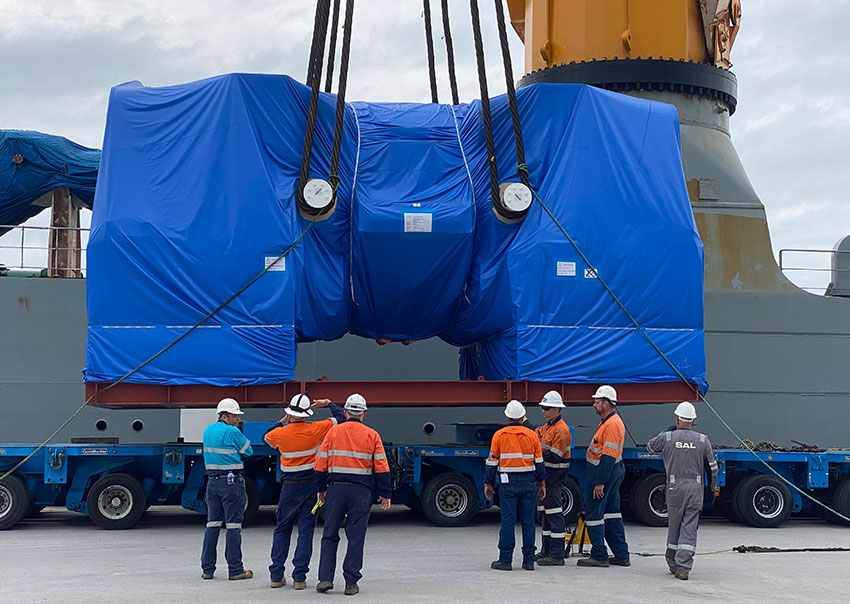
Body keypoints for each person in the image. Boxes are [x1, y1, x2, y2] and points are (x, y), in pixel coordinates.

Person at [263, 394, 345, 590]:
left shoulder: (280, 434)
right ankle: (299, 578)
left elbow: (266, 436)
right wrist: (329, 404)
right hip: (313, 490)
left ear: (289, 413)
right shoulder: (316, 428)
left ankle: (276, 576)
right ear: (307, 414)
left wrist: (281, 421)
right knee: (306, 531)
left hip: (289, 489)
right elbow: (342, 419)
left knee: (282, 528)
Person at [314, 393, 391, 596]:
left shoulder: (332, 433)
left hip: (335, 490)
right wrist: (385, 493)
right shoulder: (372, 435)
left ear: (346, 412)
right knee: (356, 537)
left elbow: (320, 463)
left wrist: (321, 489)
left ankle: (325, 579)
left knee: (329, 534)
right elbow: (382, 467)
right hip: (360, 492)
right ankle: (351, 583)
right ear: (364, 414)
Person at [646, 401, 718, 581]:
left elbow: (650, 446)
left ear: (677, 418)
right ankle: (684, 568)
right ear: (693, 421)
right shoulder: (703, 440)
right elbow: (713, 468)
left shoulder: (668, 437)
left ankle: (672, 562)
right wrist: (711, 488)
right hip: (695, 489)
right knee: (689, 528)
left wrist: (668, 431)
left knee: (675, 526)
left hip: (674, 488)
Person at [484, 400, 546, 572]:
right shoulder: (532, 435)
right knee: (528, 522)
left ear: (507, 416)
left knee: (508, 521)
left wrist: (488, 482)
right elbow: (539, 463)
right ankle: (528, 561)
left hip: (507, 484)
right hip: (528, 483)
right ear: (522, 416)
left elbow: (492, 462)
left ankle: (505, 560)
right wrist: (541, 483)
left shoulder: (499, 435)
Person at [200, 398, 254, 581]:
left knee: (212, 524)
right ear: (226, 415)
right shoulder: (232, 431)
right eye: (236, 415)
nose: (238, 419)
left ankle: (207, 569)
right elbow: (248, 451)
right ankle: (235, 569)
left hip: (212, 483)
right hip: (232, 483)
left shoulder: (208, 430)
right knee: (233, 526)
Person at [577, 385, 630, 568]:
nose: (593, 404)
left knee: (594, 513)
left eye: (597, 401)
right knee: (611, 513)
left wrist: (600, 482)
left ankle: (599, 554)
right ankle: (621, 554)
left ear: (606, 403)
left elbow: (607, 456)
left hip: (604, 473)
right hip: (611, 472)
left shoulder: (612, 424)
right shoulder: (609, 422)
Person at [534, 391, 572, 566]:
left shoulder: (561, 430)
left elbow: (555, 456)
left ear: (557, 409)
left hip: (554, 478)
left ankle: (556, 555)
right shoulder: (547, 427)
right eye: (542, 408)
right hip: (547, 478)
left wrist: (537, 455)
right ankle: (546, 551)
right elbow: (535, 434)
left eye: (547, 408)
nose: (544, 411)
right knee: (546, 515)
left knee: (554, 515)